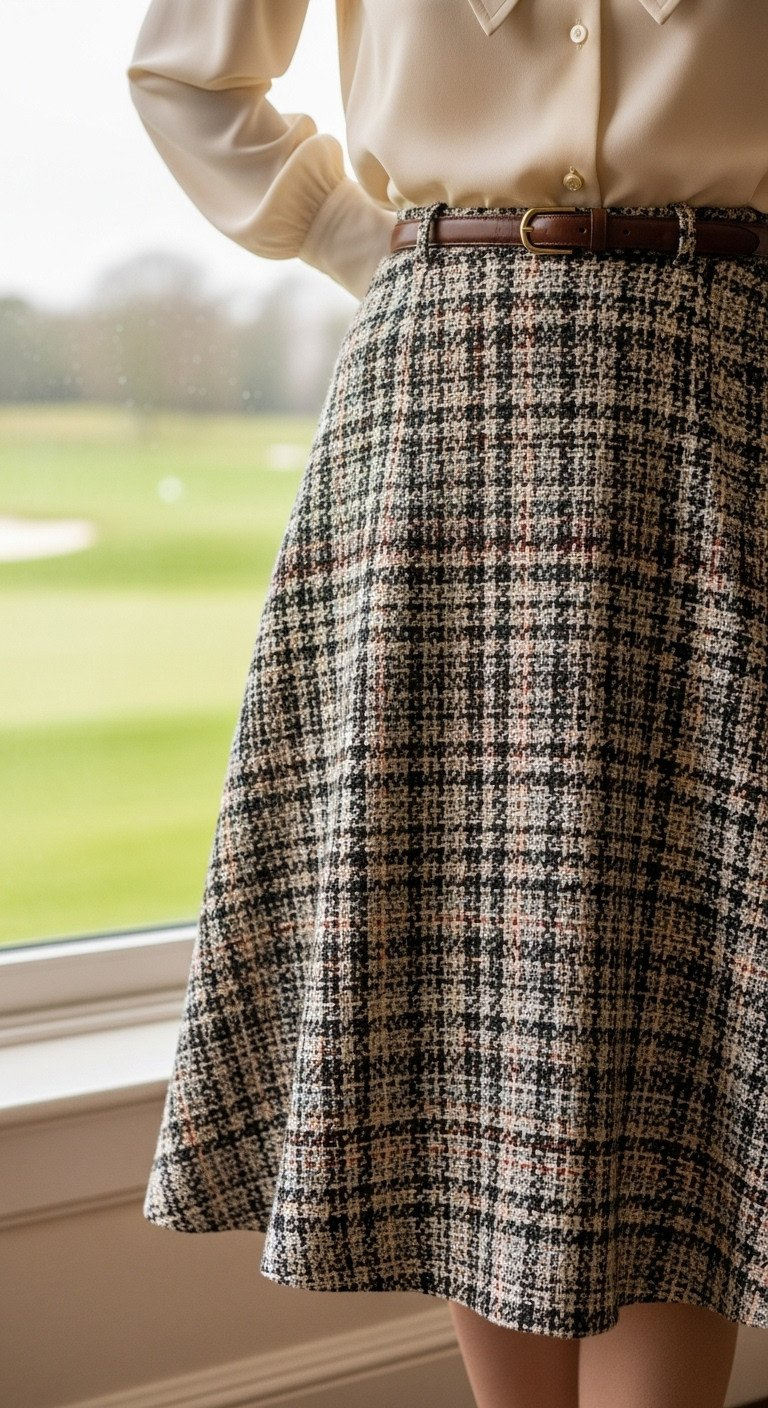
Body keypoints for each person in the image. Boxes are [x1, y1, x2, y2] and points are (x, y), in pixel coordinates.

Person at [126, 4, 768, 1406]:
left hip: (730, 381)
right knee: (465, 967)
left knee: (692, 965)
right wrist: (382, 250)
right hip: (446, 380)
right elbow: (186, 74)